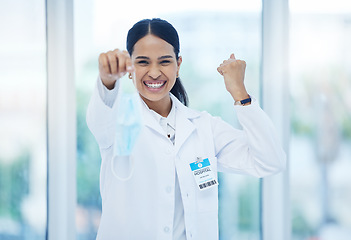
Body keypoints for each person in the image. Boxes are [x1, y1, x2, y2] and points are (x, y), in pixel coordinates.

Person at [86, 18, 286, 240]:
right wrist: (107, 80)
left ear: (178, 65)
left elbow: (270, 161)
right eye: (143, 62)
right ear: (130, 67)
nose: (154, 73)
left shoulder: (204, 127)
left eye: (164, 62)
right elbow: (100, 116)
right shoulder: (117, 122)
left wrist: (240, 93)